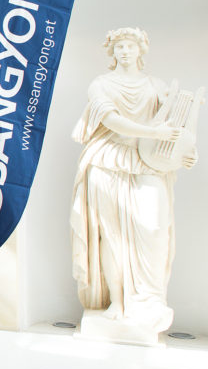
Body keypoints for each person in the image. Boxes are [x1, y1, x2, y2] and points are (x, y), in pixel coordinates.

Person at [70, 28, 197, 335]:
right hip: (108, 160)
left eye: (129, 45)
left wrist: (185, 153)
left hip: (149, 162)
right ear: (111, 53)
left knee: (154, 228)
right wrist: (155, 134)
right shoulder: (101, 84)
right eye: (118, 47)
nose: (124, 51)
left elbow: (177, 124)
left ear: (141, 50)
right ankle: (117, 301)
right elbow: (111, 121)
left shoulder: (157, 85)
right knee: (112, 237)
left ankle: (150, 302)